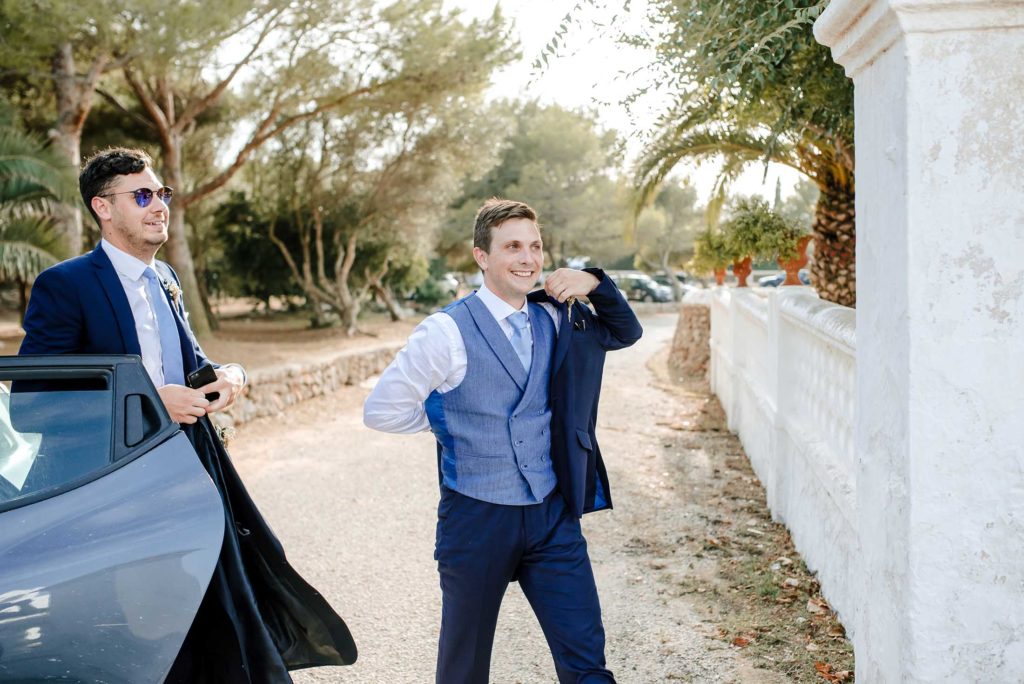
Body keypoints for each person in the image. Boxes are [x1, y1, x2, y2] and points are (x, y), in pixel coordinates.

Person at [19, 147, 356, 682]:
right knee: (135, 633)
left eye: (162, 194)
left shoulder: (166, 279)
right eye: (143, 196)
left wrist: (234, 374)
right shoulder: (67, 284)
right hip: (110, 493)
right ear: (103, 208)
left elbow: (194, 365)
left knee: (214, 610)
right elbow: (36, 400)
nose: (160, 207)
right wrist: (152, 400)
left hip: (190, 474)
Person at [363, 198, 642, 683]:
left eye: (534, 246)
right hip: (476, 519)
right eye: (512, 246)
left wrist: (594, 281)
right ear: (481, 256)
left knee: (586, 661)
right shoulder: (445, 331)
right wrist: (447, 422)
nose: (528, 258)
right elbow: (382, 410)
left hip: (551, 513)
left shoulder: (555, 316)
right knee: (464, 668)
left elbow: (625, 332)